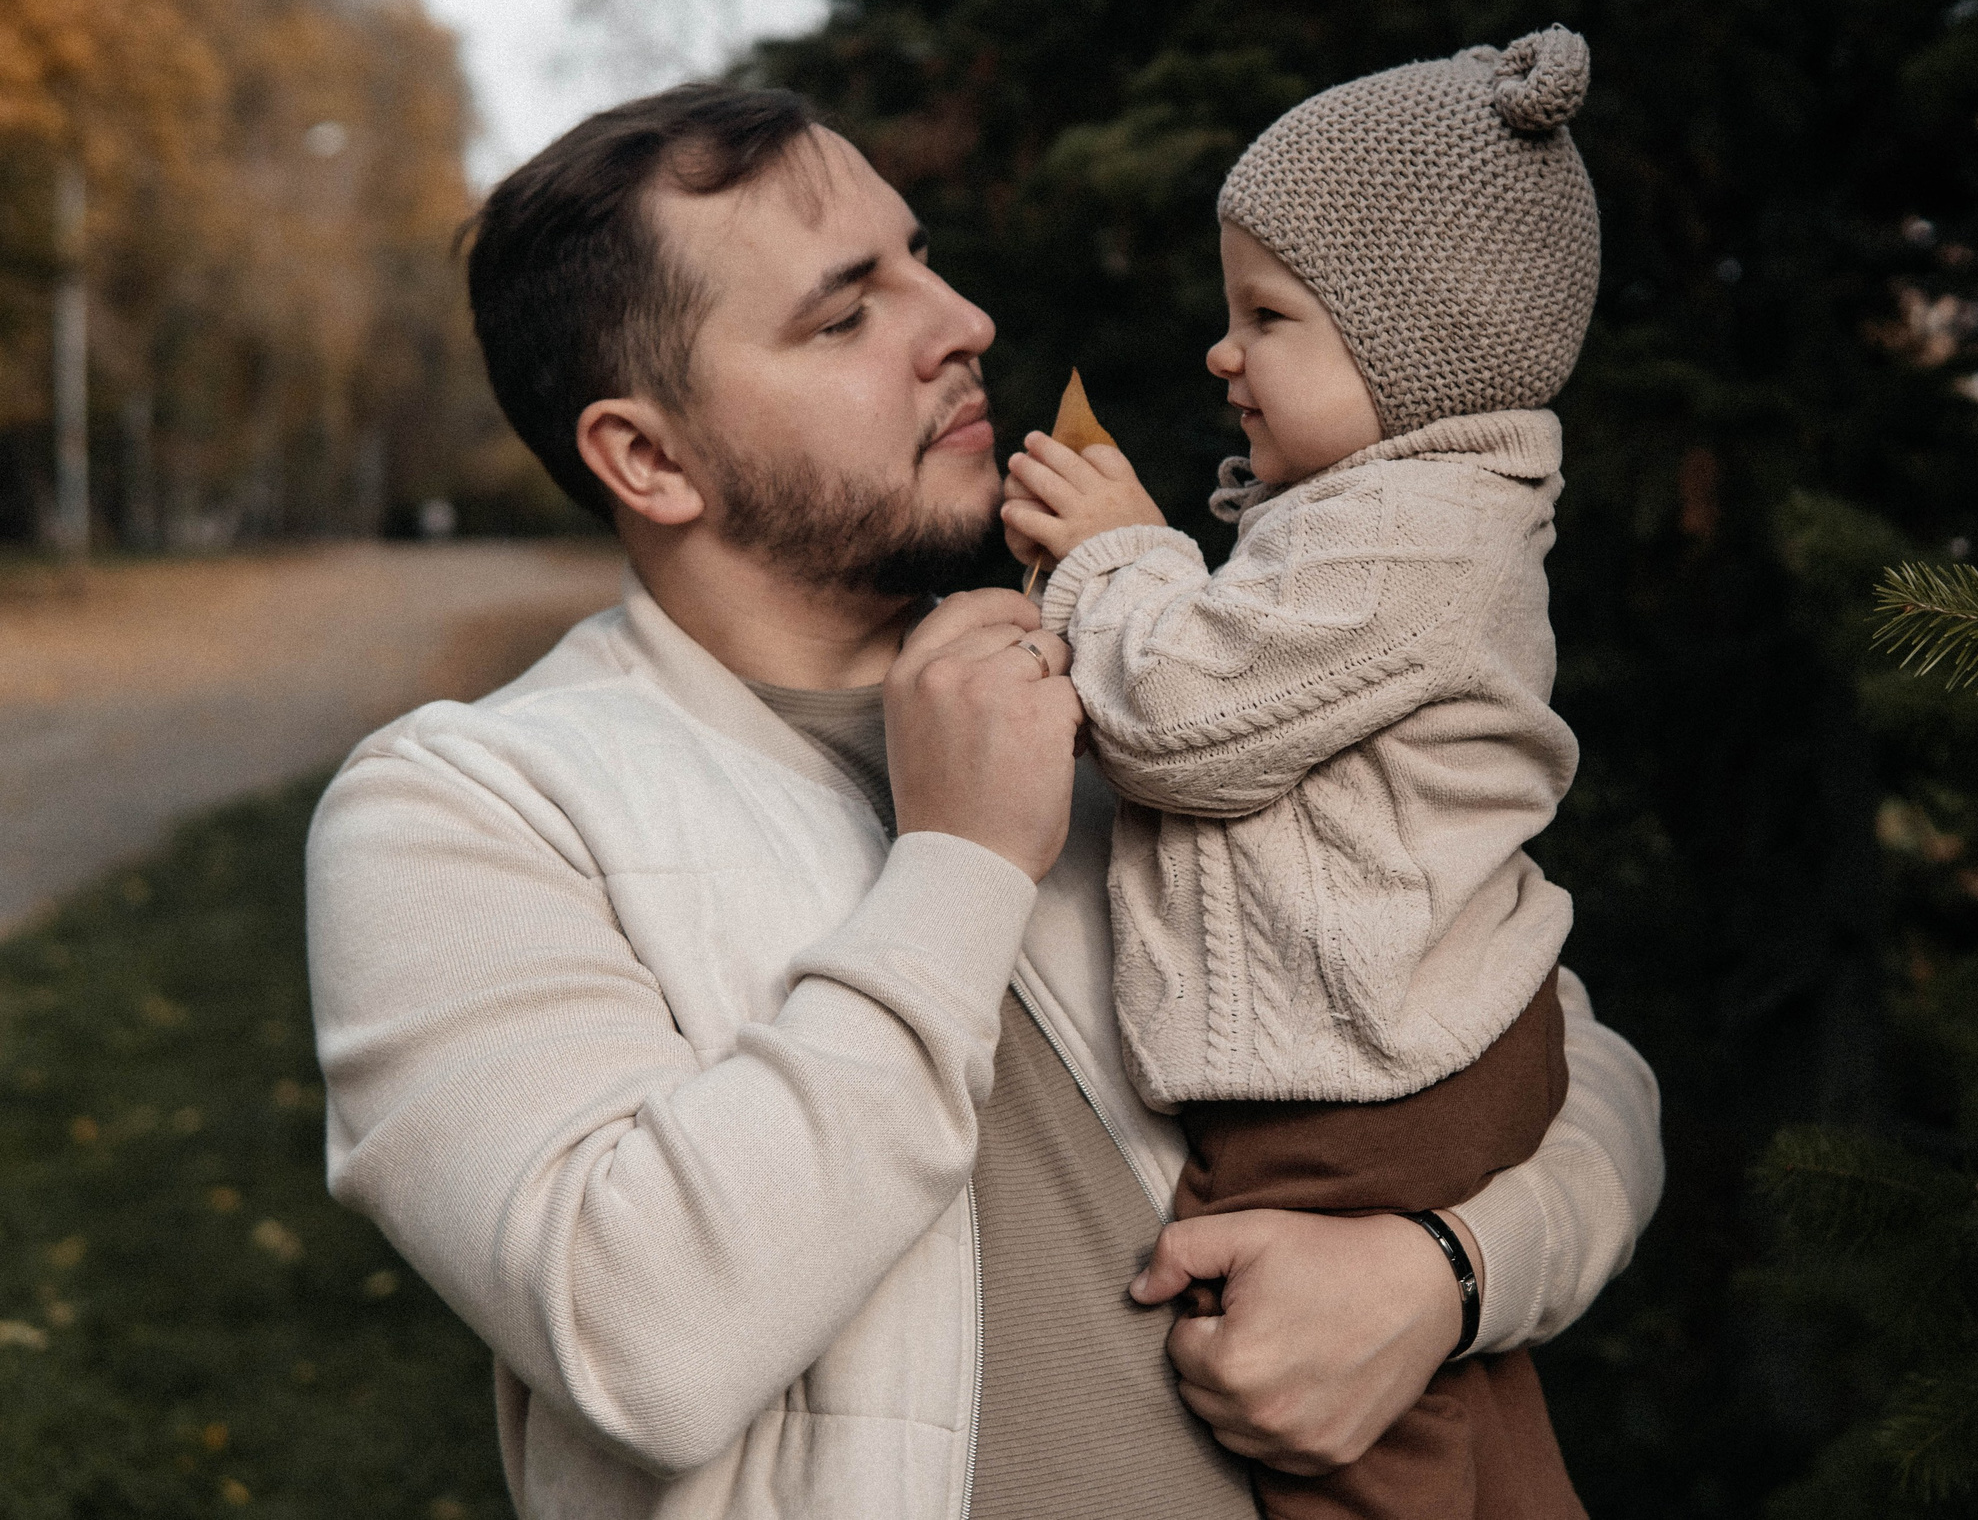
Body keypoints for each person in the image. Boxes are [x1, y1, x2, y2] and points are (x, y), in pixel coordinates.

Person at [304, 81, 1662, 1520]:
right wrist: (957, 860)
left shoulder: (1154, 688)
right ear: (647, 458)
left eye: (921, 256)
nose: (960, 324)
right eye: (845, 315)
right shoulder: (466, 810)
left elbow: (1584, 1077)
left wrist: (1449, 1275)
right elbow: (646, 1335)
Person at [998, 28, 1599, 1519]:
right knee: (1458, 1408)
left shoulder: (1410, 542)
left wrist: (1113, 560)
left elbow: (1184, 721)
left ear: (1421, 344)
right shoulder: (1392, 526)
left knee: (1320, 1415)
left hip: (1364, 1083)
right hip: (1428, 1045)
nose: (1223, 352)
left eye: (1268, 316)